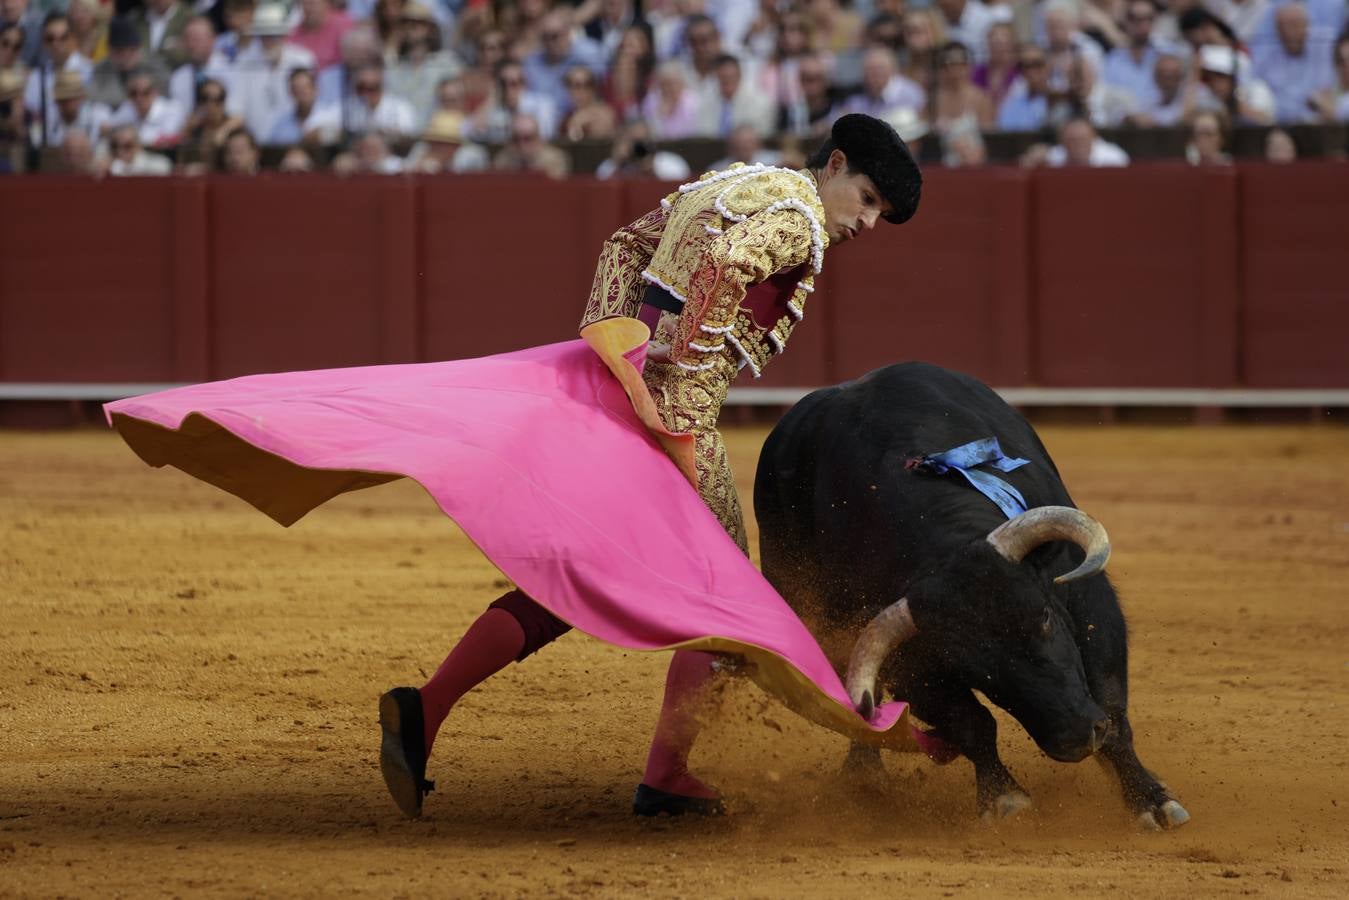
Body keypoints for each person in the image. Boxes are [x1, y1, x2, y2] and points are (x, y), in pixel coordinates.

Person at [103, 113, 924, 823]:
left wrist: (618, 349)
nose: (865, 223)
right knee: (719, 590)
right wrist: (676, 401)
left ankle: (425, 711)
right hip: (671, 421)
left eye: (880, 215)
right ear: (836, 166)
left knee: (592, 574)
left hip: (612, 387)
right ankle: (666, 773)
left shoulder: (735, 181)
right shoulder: (798, 219)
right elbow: (720, 272)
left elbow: (625, 246)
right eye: (868, 201)